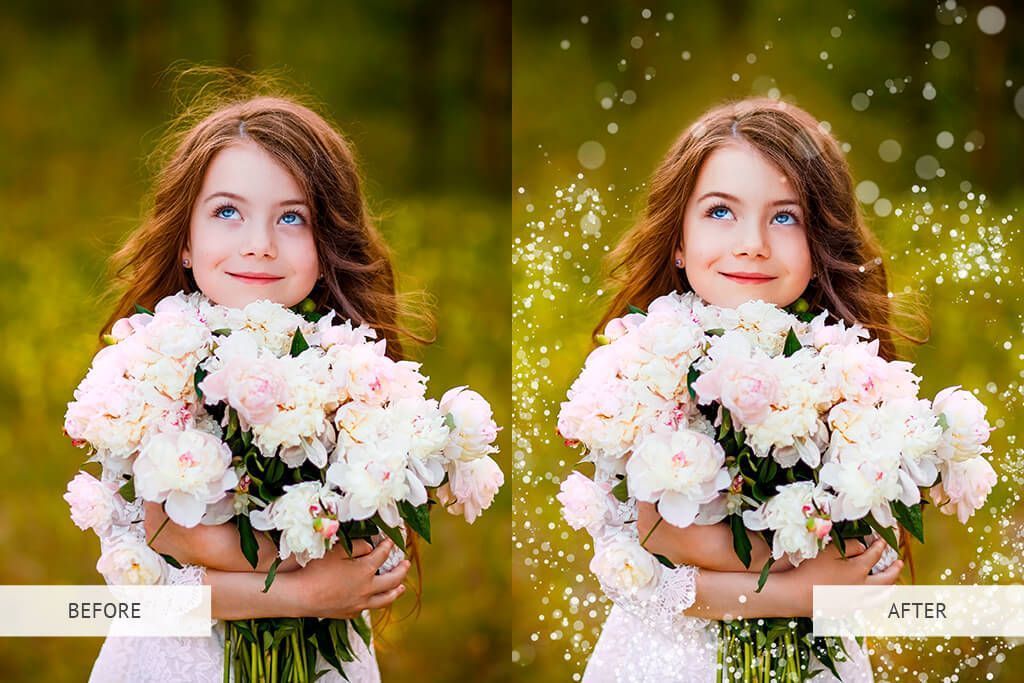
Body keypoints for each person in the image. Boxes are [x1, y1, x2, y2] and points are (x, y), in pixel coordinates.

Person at [88, 79, 416, 682]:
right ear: (186, 241)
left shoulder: (355, 369)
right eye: (228, 212)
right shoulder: (151, 364)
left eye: (291, 217)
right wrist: (306, 594)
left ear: (327, 244)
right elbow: (175, 536)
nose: (259, 246)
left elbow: (373, 543)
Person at [581, 97, 913, 683]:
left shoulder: (846, 370)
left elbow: (868, 550)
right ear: (678, 240)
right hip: (669, 661)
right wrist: (802, 589)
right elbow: (659, 537)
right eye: (720, 212)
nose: (753, 243)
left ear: (820, 243)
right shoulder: (645, 365)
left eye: (784, 217)